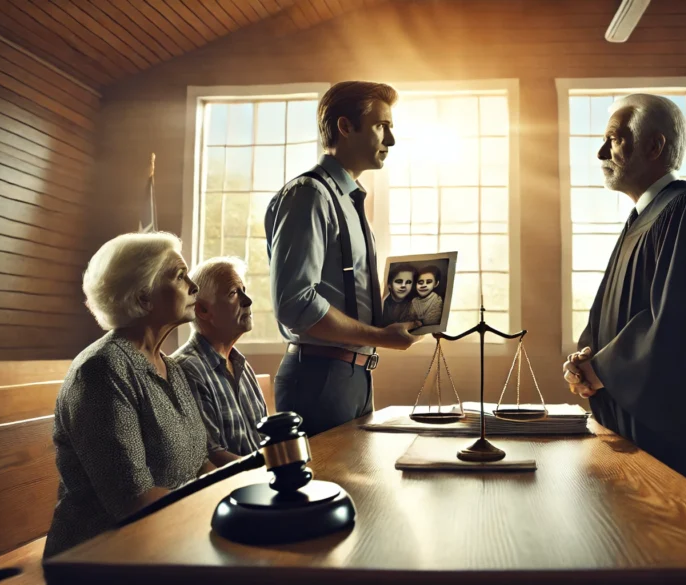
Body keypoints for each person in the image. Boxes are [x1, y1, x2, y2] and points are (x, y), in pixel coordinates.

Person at [562, 94, 686, 524]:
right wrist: (585, 360)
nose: (600, 153)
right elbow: (610, 317)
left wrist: (606, 367)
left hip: (680, 456)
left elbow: (683, 334)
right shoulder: (641, 219)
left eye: (613, 139)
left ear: (654, 147)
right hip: (628, 434)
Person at [265, 81, 425, 437]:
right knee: (328, 488)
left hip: (355, 375)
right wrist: (382, 337)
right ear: (345, 126)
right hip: (319, 378)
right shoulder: (309, 195)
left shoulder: (349, 202)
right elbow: (295, 304)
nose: (391, 140)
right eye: (382, 126)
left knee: (356, 491)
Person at [45, 233, 213, 558]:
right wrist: (215, 509)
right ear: (144, 297)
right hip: (102, 553)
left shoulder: (170, 367)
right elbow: (134, 501)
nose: (194, 286)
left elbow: (200, 462)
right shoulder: (101, 371)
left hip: (172, 534)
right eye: (180, 276)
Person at [172, 257, 268, 466]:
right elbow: (210, 457)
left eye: (244, 289)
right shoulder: (187, 369)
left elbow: (265, 438)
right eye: (233, 293)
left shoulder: (241, 364)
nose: (247, 300)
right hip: (228, 489)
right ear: (203, 310)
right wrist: (265, 472)